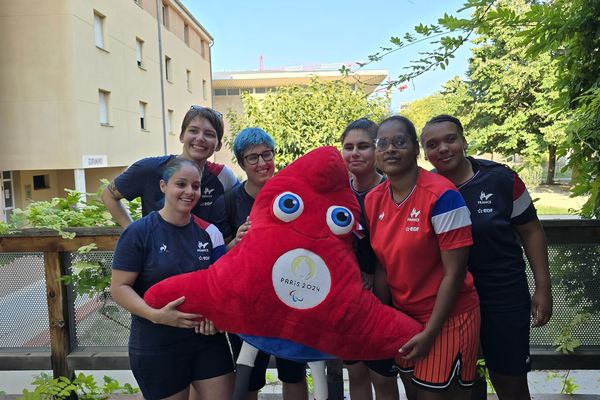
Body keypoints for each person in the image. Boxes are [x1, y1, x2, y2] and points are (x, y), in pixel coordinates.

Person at [420, 114, 552, 400]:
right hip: (450, 302)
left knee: (509, 381)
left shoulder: (501, 179)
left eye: (450, 139)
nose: (442, 148)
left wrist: (543, 287)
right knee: (460, 384)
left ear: (464, 141)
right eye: (432, 144)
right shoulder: (424, 189)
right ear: (425, 152)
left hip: (503, 296)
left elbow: (531, 231)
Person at [364, 115, 480, 400]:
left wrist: (430, 332)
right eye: (383, 143)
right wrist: (383, 317)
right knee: (413, 392)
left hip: (448, 316)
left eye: (399, 142)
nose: (390, 149)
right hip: (404, 316)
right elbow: (382, 264)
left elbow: (454, 273)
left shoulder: (443, 196)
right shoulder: (373, 199)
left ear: (415, 150)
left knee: (435, 395)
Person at [110, 157, 234, 400]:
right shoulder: (139, 232)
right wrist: (157, 315)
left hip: (207, 340)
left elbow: (221, 287)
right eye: (181, 184)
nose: (189, 192)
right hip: (157, 343)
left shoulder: (209, 233)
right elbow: (120, 288)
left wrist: (217, 319)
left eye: (196, 186)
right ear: (163, 186)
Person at [222, 127, 308, 400]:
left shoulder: (294, 193)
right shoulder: (230, 200)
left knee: (293, 371)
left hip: (291, 295)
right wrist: (236, 241)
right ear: (241, 162)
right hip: (247, 301)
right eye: (252, 157)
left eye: (266, 154)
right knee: (249, 376)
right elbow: (219, 254)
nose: (262, 162)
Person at [101, 105, 238, 239]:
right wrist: (133, 232)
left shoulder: (222, 176)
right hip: (155, 259)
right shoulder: (149, 168)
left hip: (204, 258)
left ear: (218, 145)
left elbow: (244, 199)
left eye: (209, 134)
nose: (200, 138)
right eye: (193, 131)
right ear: (181, 136)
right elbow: (109, 195)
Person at [340, 118, 399, 400]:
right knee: (356, 373)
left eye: (363, 146)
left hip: (386, 297)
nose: (355, 153)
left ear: (377, 150)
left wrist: (374, 274)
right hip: (348, 299)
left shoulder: (392, 190)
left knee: (382, 376)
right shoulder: (336, 192)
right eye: (348, 147)